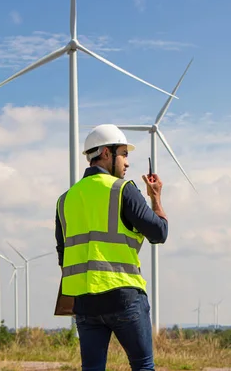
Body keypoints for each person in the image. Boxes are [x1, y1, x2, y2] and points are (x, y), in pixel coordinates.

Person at [54, 123, 168, 371]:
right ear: (106, 153)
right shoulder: (123, 190)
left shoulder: (65, 200)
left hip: (84, 302)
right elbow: (159, 233)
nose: (127, 163)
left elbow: (63, 254)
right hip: (123, 296)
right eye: (124, 154)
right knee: (143, 366)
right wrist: (156, 198)